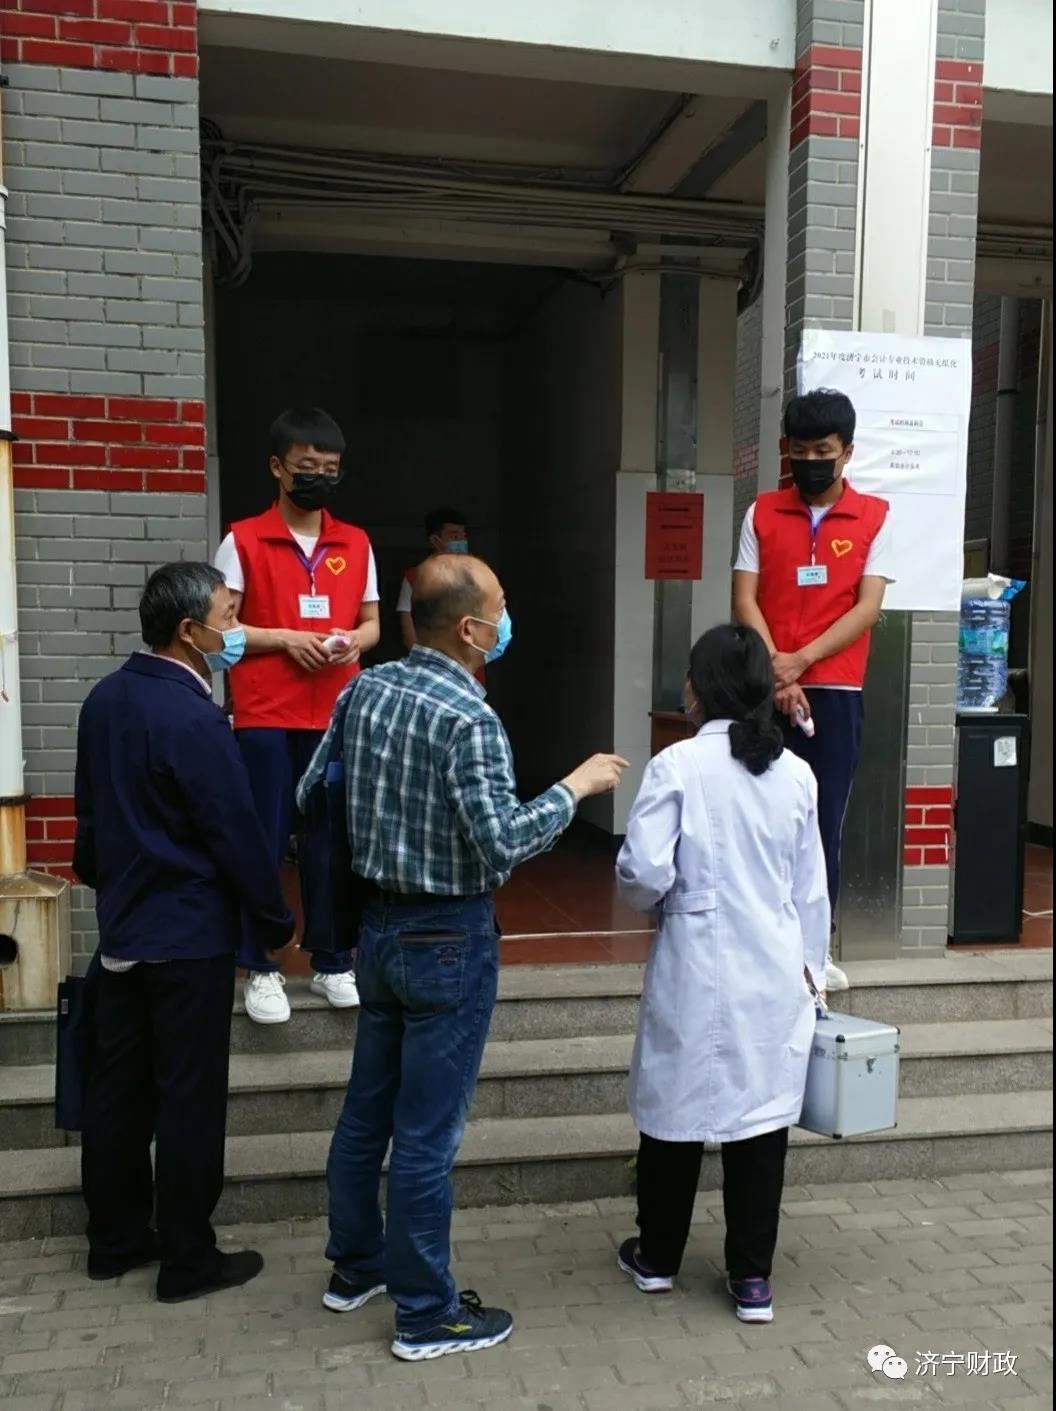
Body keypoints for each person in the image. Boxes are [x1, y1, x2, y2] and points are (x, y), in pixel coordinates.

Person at [297, 554, 627, 1362]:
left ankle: (356, 1266)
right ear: (474, 629)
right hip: (447, 938)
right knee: (425, 1136)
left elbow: (311, 794)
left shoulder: (364, 689)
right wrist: (575, 788)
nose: (509, 620)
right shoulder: (470, 720)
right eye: (502, 607)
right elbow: (501, 842)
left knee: (367, 1112)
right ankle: (425, 1314)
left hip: (377, 930)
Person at [74, 563, 294, 1303]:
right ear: (188, 631)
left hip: (123, 930)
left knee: (118, 1091)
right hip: (189, 936)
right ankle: (188, 1258)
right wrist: (273, 919)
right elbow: (235, 831)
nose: (236, 630)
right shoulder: (195, 718)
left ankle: (114, 1241)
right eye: (228, 617)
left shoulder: (104, 699)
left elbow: (89, 822)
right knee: (188, 1098)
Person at [614, 624, 830, 1325]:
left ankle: (657, 1256)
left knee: (673, 1110)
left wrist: (665, 901)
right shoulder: (796, 773)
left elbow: (643, 872)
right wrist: (815, 975)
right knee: (760, 1117)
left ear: (698, 688)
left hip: (694, 959)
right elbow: (812, 890)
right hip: (774, 964)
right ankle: (752, 1278)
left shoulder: (677, 765)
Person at [214, 406, 381, 1024]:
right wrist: (287, 638)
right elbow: (220, 629)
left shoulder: (355, 542)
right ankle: (260, 965)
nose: (319, 478)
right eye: (307, 466)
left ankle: (334, 959)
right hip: (265, 714)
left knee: (332, 841)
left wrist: (350, 641)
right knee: (263, 837)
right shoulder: (243, 540)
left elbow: (373, 623)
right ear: (277, 468)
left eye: (330, 469)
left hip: (334, 715)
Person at [732, 388, 893, 992]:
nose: (810, 461)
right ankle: (754, 946)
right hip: (765, 687)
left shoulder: (875, 516)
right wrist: (777, 671)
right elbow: (744, 598)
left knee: (823, 820)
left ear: (847, 451)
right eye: (799, 451)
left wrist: (801, 661)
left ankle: (814, 952)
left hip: (834, 689)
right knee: (756, 817)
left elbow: (867, 608)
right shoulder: (761, 513)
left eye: (823, 451)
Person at [397, 507, 484, 686]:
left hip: (470, 672)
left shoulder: (480, 576)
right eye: (454, 535)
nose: (461, 540)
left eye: (463, 535)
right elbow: (408, 632)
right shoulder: (414, 578)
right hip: (428, 674)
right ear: (435, 540)